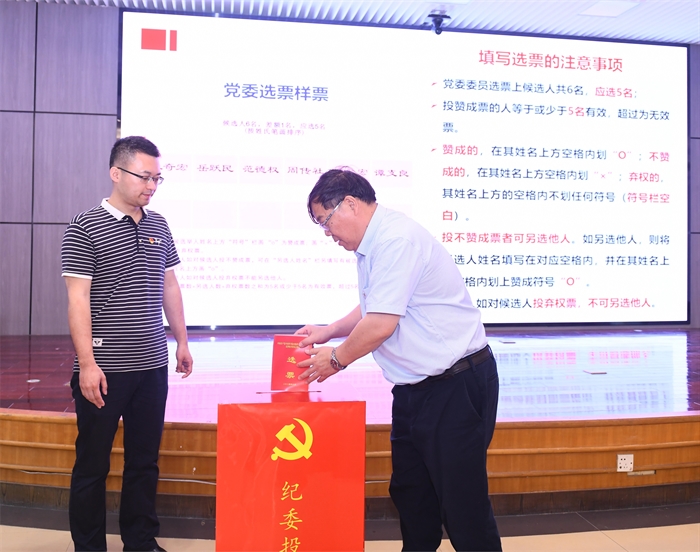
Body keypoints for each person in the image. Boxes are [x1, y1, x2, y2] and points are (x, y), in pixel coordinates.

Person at [295, 169, 502, 551]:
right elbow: (376, 303)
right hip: (415, 390)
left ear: (350, 204)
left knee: (463, 508)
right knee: (412, 496)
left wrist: (336, 359)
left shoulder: (396, 239)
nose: (327, 233)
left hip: (454, 386)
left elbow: (380, 324)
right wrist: (330, 330)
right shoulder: (374, 243)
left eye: (326, 221)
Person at [61, 136, 193, 552]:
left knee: (144, 461)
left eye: (157, 178)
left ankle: (140, 540)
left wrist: (181, 341)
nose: (151, 186)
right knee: (92, 464)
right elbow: (78, 299)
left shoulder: (159, 224)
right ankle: (89, 547)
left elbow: (169, 285)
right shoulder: (84, 226)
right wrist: (87, 364)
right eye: (144, 177)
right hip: (105, 368)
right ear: (116, 173)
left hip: (152, 365)